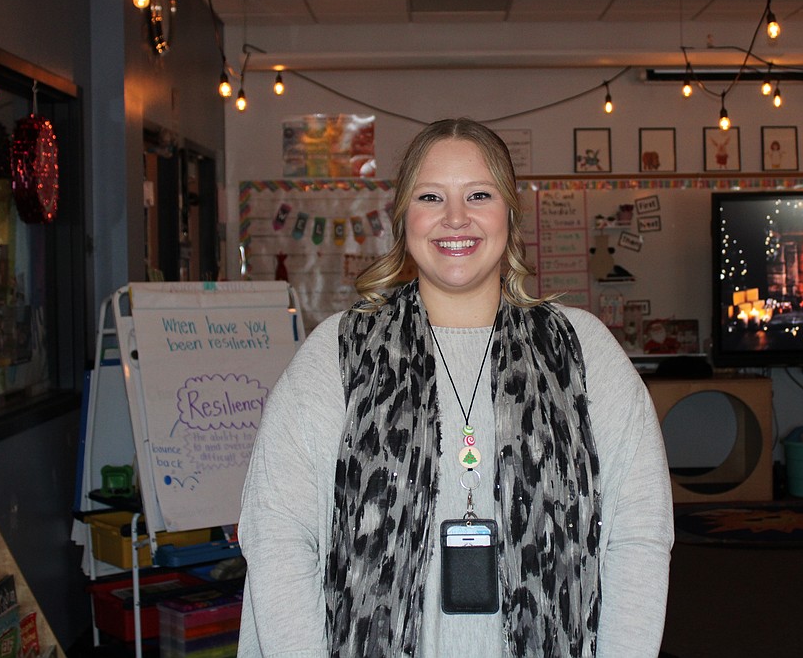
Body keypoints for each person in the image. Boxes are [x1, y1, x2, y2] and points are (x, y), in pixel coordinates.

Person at [236, 118, 674, 656]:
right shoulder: (338, 354)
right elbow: (277, 536)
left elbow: (639, 535)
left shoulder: (582, 352)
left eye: (479, 194)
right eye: (431, 196)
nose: (455, 218)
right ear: (404, 218)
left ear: (510, 214)